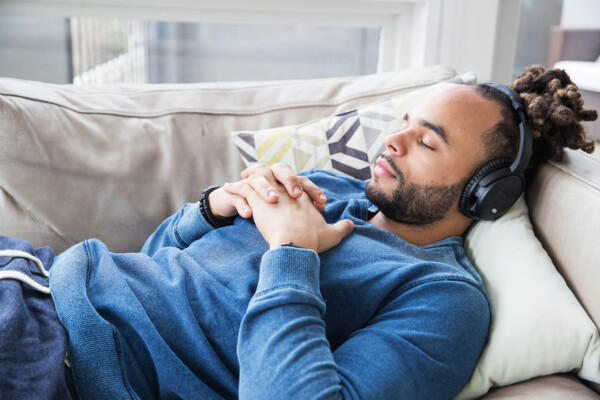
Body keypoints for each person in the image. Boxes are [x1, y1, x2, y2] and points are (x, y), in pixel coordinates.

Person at [0, 65, 597, 400]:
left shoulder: (442, 301)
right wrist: (212, 210)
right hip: (40, 278)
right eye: (404, 123)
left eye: (428, 140)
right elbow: (157, 271)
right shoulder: (326, 186)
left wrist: (290, 251)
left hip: (62, 362)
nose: (393, 140)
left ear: (484, 192)